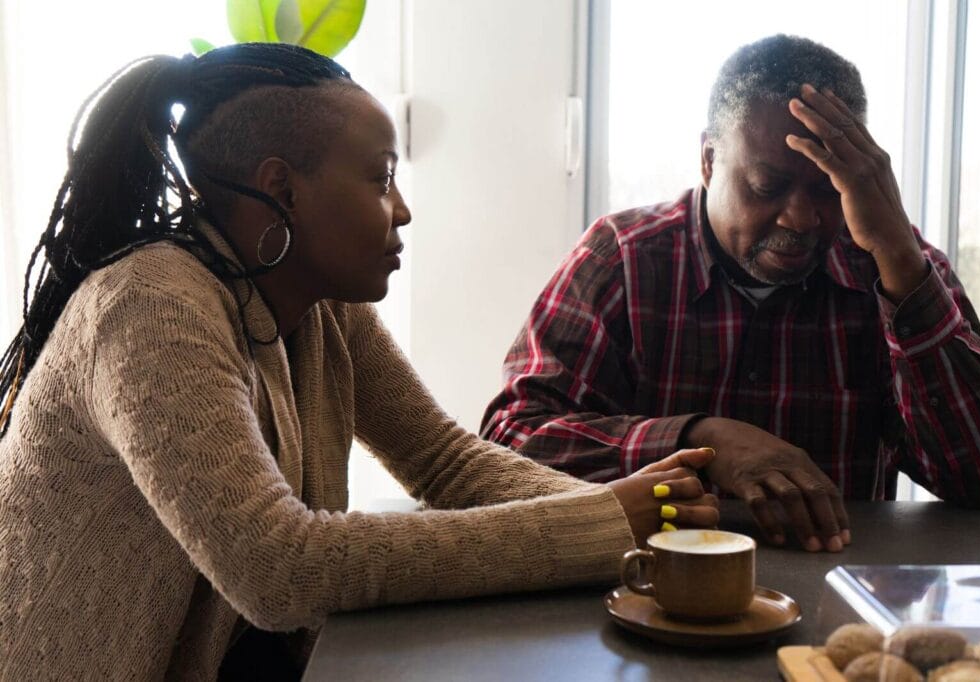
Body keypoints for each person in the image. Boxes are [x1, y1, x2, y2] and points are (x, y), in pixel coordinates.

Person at [0, 44, 720, 679]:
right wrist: (599, 525)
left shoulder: (319, 303)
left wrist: (621, 517)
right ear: (281, 189)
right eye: (380, 179)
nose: (401, 210)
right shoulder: (151, 306)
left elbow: (446, 464)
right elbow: (277, 566)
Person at [481, 34, 980, 555]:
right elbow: (510, 444)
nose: (801, 217)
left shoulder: (894, 267)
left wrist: (901, 262)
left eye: (828, 188)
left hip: (833, 603)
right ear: (709, 160)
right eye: (767, 187)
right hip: (650, 594)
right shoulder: (622, 258)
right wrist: (698, 442)